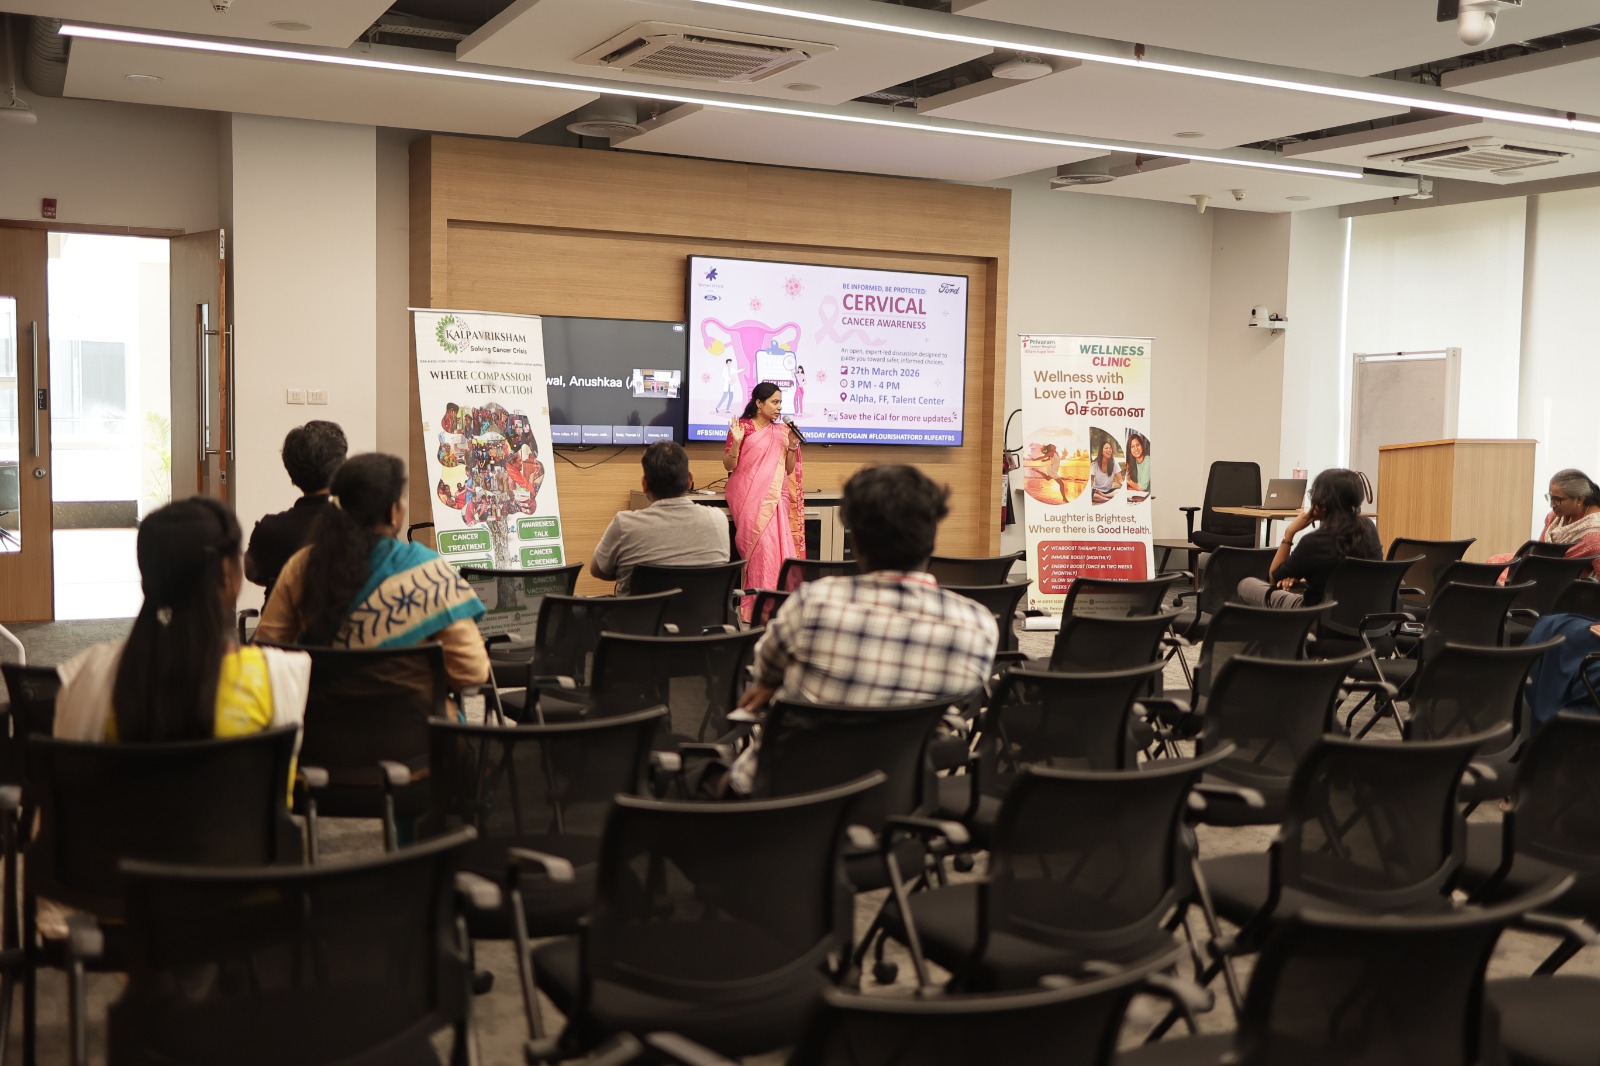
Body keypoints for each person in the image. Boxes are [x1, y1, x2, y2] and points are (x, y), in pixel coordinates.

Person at [727, 464, 998, 793]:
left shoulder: (812, 604)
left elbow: (764, 674)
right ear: (931, 537)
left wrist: (777, 683)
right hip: (897, 802)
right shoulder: (976, 626)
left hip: (785, 796)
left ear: (855, 540)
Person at [56, 497, 311, 744]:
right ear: (226, 575)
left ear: (147, 577)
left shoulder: (90, 679)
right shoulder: (278, 679)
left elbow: (70, 765)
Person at [255, 453, 489, 692]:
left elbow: (266, 651)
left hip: (321, 713)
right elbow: (471, 673)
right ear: (392, 512)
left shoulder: (303, 566)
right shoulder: (430, 573)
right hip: (414, 715)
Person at [591, 440, 730, 593]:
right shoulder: (718, 520)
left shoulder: (624, 524)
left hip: (641, 610)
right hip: (704, 610)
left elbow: (599, 570)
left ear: (644, 484)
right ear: (690, 480)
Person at [1237, 467, 1380, 608]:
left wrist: (1289, 532)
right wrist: (1298, 576)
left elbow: (1274, 577)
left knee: (1246, 585)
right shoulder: (1370, 528)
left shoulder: (1314, 542)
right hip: (1366, 614)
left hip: (1316, 614)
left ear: (1322, 502)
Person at [245, 420, 347, 601]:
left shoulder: (268, 531)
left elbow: (252, 573)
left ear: (291, 471)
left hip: (282, 618)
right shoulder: (361, 526)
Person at [723, 382, 803, 597]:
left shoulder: (783, 431)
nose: (779, 407)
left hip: (775, 498)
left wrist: (792, 445)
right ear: (759, 403)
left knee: (779, 550)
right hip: (748, 496)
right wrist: (736, 442)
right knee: (762, 550)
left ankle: (778, 601)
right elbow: (729, 466)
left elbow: (788, 470)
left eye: (781, 402)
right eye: (774, 402)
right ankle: (759, 603)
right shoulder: (742, 427)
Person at [1486, 469, 1600, 580]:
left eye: (1558, 499)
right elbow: (1540, 552)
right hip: (1544, 567)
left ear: (1579, 500)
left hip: (1563, 581)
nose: (1552, 505)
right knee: (1495, 563)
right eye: (1550, 498)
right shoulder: (1554, 517)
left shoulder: (1595, 533)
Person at [1090, 439, 1121, 504]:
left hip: (1109, 491)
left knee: (1119, 491)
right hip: (1097, 491)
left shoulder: (1114, 463)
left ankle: (1104, 496)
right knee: (1090, 494)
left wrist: (1125, 488)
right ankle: (1108, 500)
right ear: (1101, 451)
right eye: (1106, 448)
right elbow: (1091, 481)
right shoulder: (1095, 464)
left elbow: (1120, 481)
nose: (1109, 450)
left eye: (1110, 448)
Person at [1125, 432, 1151, 498]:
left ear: (1142, 445)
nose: (1136, 449)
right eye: (1132, 447)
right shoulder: (1134, 463)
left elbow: (1142, 488)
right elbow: (1137, 487)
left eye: (1138, 445)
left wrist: (1128, 480)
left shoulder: (1148, 461)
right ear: (1130, 449)